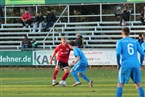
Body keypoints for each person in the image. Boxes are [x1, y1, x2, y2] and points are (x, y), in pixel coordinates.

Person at [116, 27, 145, 97]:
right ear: (129, 33)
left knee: (120, 84)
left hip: (125, 64)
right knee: (138, 84)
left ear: (121, 33)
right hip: (135, 65)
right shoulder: (135, 42)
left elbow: (118, 53)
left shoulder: (120, 42)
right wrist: (140, 63)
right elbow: (142, 54)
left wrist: (118, 64)